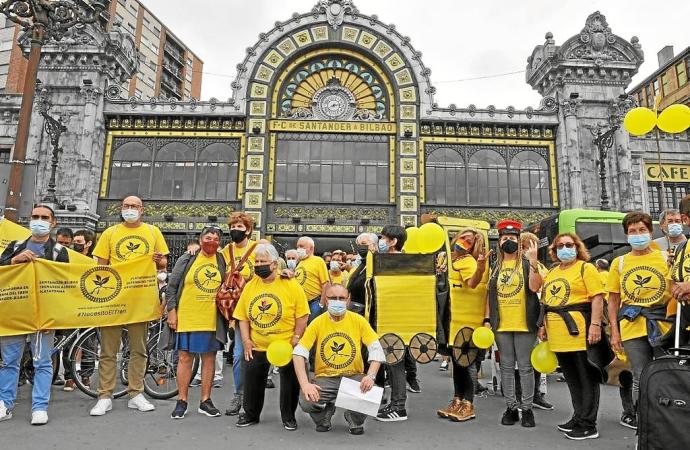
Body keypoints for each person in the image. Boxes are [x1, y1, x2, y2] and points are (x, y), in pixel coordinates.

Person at [89, 196, 169, 416]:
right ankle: (104, 395)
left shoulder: (153, 232)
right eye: (126, 206)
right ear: (121, 209)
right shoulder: (110, 233)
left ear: (142, 210)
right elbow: (101, 267)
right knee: (108, 349)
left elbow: (163, 263)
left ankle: (136, 393)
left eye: (134, 206)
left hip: (140, 298)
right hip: (114, 298)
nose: (130, 209)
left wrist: (157, 260)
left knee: (139, 348)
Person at [0, 205, 70, 425]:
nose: (38, 220)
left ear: (53, 223)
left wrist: (55, 318)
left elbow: (62, 286)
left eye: (44, 217)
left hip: (43, 316)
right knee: (10, 361)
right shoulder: (16, 246)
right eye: (35, 217)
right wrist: (13, 261)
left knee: (42, 362)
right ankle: (4, 403)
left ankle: (39, 406)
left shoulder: (59, 251)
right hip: (14, 313)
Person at [607, 212, 674, 430]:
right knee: (640, 375)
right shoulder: (619, 263)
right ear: (627, 234)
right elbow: (613, 301)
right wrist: (614, 333)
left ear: (650, 232)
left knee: (666, 373)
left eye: (642, 230)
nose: (638, 235)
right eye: (633, 231)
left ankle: (667, 418)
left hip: (663, 324)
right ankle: (643, 420)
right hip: (632, 326)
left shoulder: (666, 257)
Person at [232, 243, 309, 430]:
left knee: (289, 382)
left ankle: (288, 416)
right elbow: (242, 317)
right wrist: (246, 340)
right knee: (252, 379)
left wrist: (296, 338)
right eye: (257, 261)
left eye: (263, 261)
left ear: (275, 264)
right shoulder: (251, 286)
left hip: (285, 344)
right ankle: (250, 414)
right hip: (257, 343)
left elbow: (302, 315)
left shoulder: (290, 284)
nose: (259, 265)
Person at [538, 232, 605, 440]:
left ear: (577, 247)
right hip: (558, 334)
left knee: (586, 376)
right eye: (560, 246)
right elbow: (547, 301)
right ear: (554, 250)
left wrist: (595, 325)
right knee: (572, 378)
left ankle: (588, 423)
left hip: (580, 329)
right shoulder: (552, 271)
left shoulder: (587, 268)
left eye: (569, 244)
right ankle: (578, 416)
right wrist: (544, 325)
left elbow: (597, 298)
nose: (564, 249)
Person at [294, 283, 385, 435]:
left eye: (341, 298)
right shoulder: (317, 322)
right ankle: (324, 416)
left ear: (348, 300)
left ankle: (353, 417)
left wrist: (370, 376)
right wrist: (305, 384)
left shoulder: (359, 321)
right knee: (306, 401)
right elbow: (299, 353)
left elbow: (376, 350)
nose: (338, 301)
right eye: (333, 298)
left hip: (353, 376)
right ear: (326, 299)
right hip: (325, 378)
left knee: (371, 394)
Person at [166, 227, 229, 419]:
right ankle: (182, 400)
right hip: (187, 316)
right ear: (200, 239)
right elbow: (172, 287)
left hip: (211, 318)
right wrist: (171, 312)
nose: (211, 241)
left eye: (216, 239)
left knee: (209, 358)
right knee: (185, 358)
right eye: (208, 238)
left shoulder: (221, 260)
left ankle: (205, 400)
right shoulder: (187, 258)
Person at [487, 220, 541, 428]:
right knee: (506, 367)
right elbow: (489, 295)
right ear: (499, 241)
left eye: (512, 238)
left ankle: (527, 409)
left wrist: (534, 261)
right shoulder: (495, 267)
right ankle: (511, 407)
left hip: (525, 324)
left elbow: (535, 288)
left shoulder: (527, 263)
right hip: (502, 325)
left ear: (519, 242)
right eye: (504, 238)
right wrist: (487, 320)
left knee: (526, 367)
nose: (507, 241)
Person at [436, 228, 488, 423]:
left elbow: (473, 282)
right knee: (457, 364)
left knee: (465, 363)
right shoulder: (450, 260)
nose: (465, 243)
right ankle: (457, 400)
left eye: (470, 241)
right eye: (463, 238)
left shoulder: (467, 261)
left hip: (464, 322)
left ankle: (468, 403)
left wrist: (481, 268)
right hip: (453, 318)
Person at [374, 225, 419, 421]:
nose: (380, 241)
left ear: (393, 241)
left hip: (396, 319)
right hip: (386, 318)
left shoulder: (401, 262)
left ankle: (398, 406)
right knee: (391, 363)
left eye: (384, 238)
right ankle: (395, 403)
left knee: (395, 362)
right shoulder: (384, 260)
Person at [221, 212, 258, 416]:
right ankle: (239, 394)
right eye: (233, 226)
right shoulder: (226, 250)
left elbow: (273, 267)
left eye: (240, 226)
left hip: (260, 307)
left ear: (248, 229)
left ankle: (257, 394)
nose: (235, 230)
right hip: (237, 310)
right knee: (238, 355)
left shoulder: (258, 248)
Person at [515, 232, 554, 411]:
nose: (532, 249)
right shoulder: (513, 266)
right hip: (518, 319)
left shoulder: (540, 266)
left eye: (534, 245)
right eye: (528, 246)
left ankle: (536, 394)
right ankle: (518, 395)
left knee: (536, 358)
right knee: (519, 360)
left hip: (537, 318)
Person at [294, 237, 330, 322]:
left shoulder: (318, 261)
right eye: (297, 247)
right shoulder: (300, 263)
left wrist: (321, 304)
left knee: (312, 326)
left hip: (314, 302)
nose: (299, 249)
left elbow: (326, 283)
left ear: (311, 248)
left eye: (301, 246)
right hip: (302, 303)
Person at [670, 195, 690, 346]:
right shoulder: (682, 248)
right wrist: (679, 291)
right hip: (685, 320)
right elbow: (675, 280)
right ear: (686, 219)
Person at [346, 233, 378, 314]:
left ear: (374, 246)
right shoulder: (363, 263)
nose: (361, 247)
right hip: (355, 308)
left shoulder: (378, 263)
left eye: (364, 244)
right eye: (358, 245)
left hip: (369, 310)